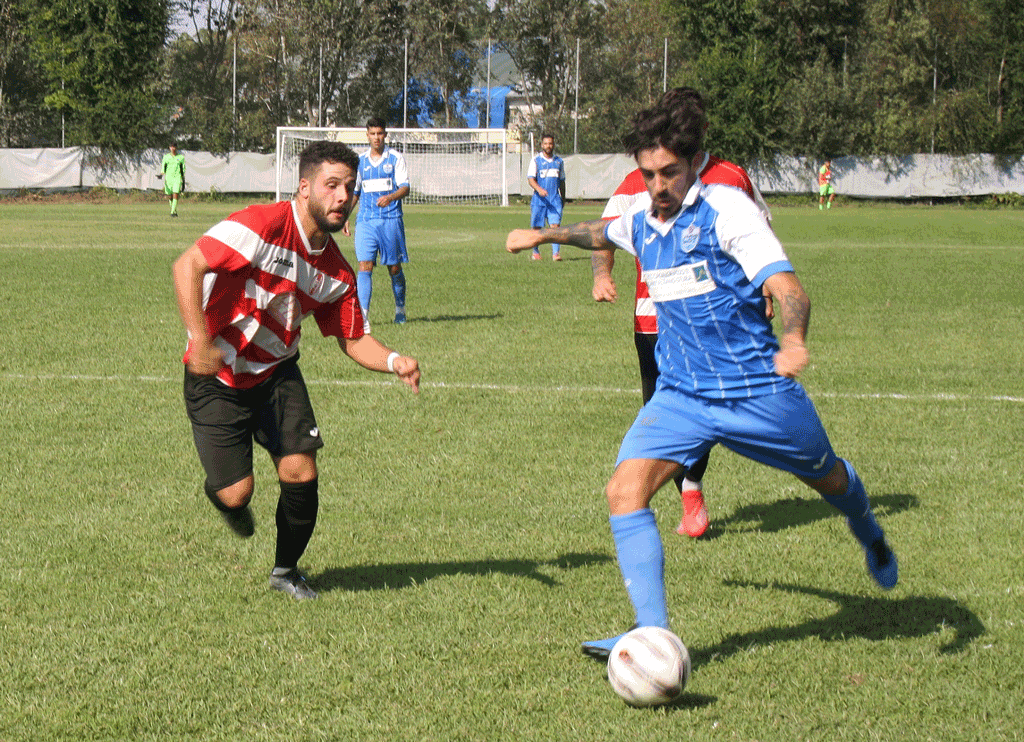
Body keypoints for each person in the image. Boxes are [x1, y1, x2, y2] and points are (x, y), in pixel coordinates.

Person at [505, 91, 897, 660]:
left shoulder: (726, 211)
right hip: (683, 395)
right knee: (624, 490)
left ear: (695, 164)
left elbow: (788, 289)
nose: (657, 186)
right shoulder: (641, 215)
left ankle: (870, 532)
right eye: (647, 174)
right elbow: (602, 231)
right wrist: (541, 235)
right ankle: (652, 632)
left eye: (669, 172)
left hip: (756, 391)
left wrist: (793, 341)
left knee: (830, 480)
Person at [172, 140, 421, 600]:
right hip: (217, 377)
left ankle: (286, 571)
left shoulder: (338, 274)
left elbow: (352, 337)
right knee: (236, 495)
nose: (344, 197)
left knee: (301, 472)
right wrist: (201, 341)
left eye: (350, 187)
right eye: (332, 186)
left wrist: (393, 360)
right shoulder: (259, 225)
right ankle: (225, 495)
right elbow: (187, 264)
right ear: (304, 188)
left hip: (277, 374)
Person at [591, 87, 774, 539]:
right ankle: (679, 488)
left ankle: (689, 485)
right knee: (660, 406)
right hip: (652, 318)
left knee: (711, 405)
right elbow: (602, 230)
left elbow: (762, 235)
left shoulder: (732, 178)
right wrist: (601, 274)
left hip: (719, 322)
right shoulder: (641, 179)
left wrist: (767, 288)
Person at [351, 117, 411, 323]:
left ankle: (400, 309)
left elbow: (405, 187)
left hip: (390, 219)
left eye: (380, 133)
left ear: (385, 134)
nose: (376, 137)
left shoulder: (395, 158)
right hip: (366, 220)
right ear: (367, 135)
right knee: (364, 266)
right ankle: (364, 318)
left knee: (394, 267)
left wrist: (391, 197)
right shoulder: (360, 162)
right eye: (373, 133)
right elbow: (355, 192)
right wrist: (344, 217)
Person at [527, 133, 567, 261]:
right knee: (537, 228)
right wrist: (539, 189)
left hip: (554, 200)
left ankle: (556, 254)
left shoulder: (559, 162)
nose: (548, 146)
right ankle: (535, 252)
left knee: (555, 227)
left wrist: (563, 197)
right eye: (546, 143)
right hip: (539, 200)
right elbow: (531, 179)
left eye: (550, 143)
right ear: (541, 145)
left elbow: (562, 181)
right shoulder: (536, 160)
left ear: (553, 144)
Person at [159, 143, 186, 217]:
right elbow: (163, 168)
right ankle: (174, 210)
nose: (173, 148)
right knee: (170, 196)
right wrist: (161, 174)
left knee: (176, 193)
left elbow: (183, 168)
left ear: (176, 148)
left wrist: (182, 177)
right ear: (169, 148)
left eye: (174, 147)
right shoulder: (166, 157)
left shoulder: (180, 157)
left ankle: (172, 212)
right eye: (171, 147)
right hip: (168, 178)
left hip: (177, 178)